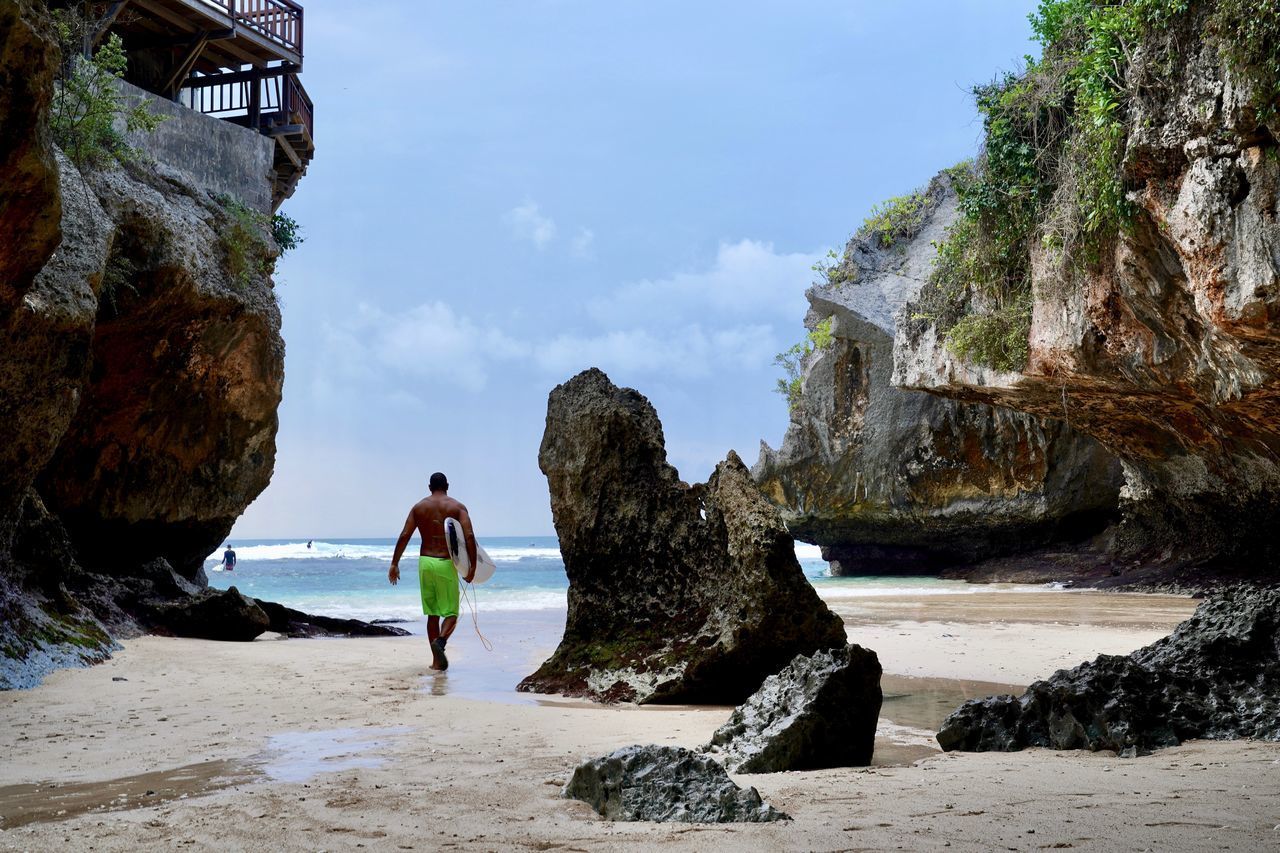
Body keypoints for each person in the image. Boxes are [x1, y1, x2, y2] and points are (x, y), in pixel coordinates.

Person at [389, 472, 477, 670]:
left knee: (432, 614)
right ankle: (441, 642)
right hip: (446, 562)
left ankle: (437, 662)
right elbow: (469, 536)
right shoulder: (457, 507)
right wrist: (472, 567)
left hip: (426, 562)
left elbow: (405, 535)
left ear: (429, 487)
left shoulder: (419, 508)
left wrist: (395, 563)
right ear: (448, 485)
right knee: (452, 613)